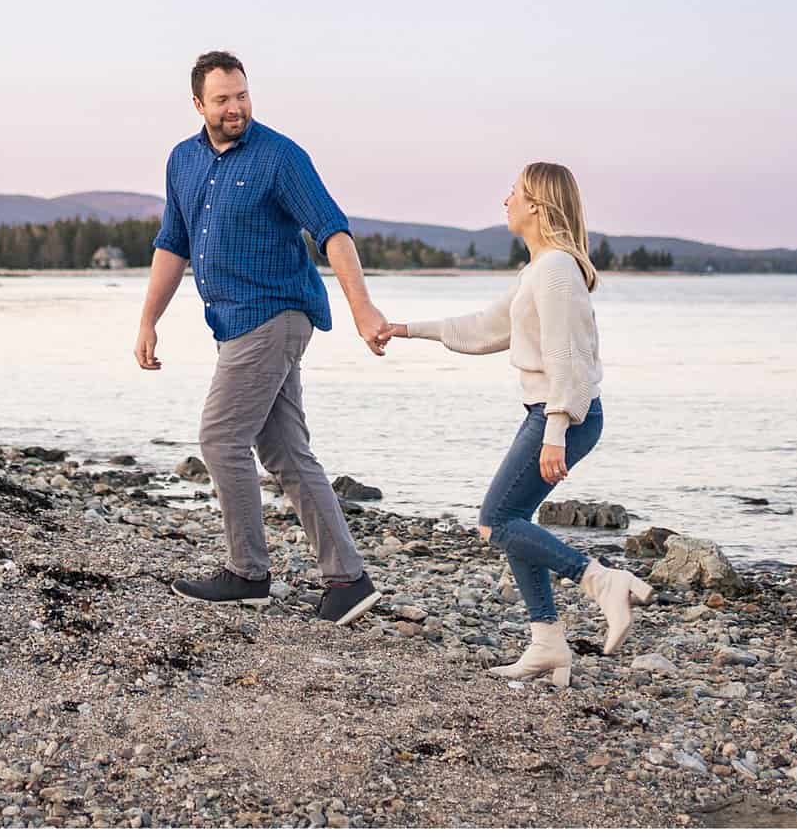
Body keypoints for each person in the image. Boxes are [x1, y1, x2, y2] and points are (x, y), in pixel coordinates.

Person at [134, 50, 389, 625]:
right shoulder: (183, 160)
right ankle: (348, 580)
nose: (236, 108)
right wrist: (149, 320)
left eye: (242, 95)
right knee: (284, 451)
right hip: (232, 323)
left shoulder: (279, 157)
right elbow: (172, 244)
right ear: (198, 104)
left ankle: (247, 573)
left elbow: (332, 229)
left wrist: (362, 308)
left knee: (221, 438)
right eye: (222, 99)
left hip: (273, 314)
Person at [378, 161, 650, 686]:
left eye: (514, 192)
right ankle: (548, 643)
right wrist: (406, 330)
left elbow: (566, 359)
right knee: (516, 524)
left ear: (537, 206)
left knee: (497, 522)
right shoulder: (540, 270)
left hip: (562, 414)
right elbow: (484, 328)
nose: (505, 201)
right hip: (555, 412)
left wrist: (554, 433)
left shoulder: (555, 272)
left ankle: (601, 581)